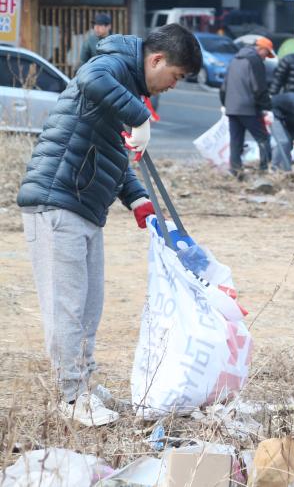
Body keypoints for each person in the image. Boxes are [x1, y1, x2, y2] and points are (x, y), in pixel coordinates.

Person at [17, 24, 201, 426]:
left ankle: (83, 384)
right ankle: (70, 397)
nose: (173, 86)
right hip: (55, 200)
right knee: (67, 306)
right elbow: (89, 76)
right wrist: (141, 117)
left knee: (88, 306)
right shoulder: (112, 64)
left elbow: (111, 150)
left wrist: (139, 201)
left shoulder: (125, 83)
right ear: (157, 60)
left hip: (82, 205)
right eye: (176, 76)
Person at [220, 36, 275, 177]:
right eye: (266, 54)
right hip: (248, 108)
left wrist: (225, 104)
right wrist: (266, 106)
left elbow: (224, 86)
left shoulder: (235, 59)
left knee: (236, 141)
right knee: (263, 138)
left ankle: (236, 172)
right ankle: (264, 170)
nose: (265, 58)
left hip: (232, 108)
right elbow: (259, 88)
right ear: (261, 49)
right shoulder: (255, 61)